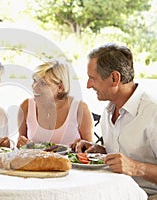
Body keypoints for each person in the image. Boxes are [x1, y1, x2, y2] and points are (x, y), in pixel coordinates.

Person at [72, 43, 157, 197]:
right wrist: (101, 151)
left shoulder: (153, 112)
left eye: (92, 78)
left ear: (114, 78)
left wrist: (136, 168)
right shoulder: (108, 111)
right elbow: (127, 154)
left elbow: (131, 164)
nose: (88, 85)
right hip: (114, 193)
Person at [17, 59, 93, 148]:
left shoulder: (79, 109)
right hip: (36, 162)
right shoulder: (26, 106)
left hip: (68, 162)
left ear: (60, 87)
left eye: (43, 83)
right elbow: (20, 146)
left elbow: (90, 150)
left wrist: (80, 147)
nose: (35, 87)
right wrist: (21, 143)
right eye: (34, 81)